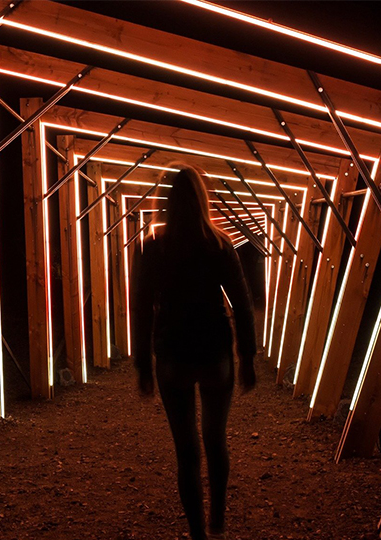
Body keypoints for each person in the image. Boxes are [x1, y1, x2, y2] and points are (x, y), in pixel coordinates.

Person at [130, 165, 257, 540]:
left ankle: (198, 535)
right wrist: (246, 357)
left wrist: (142, 366)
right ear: (202, 200)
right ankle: (218, 524)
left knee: (186, 450)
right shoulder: (219, 245)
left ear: (166, 203)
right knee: (215, 440)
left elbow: (140, 307)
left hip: (173, 356)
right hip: (215, 352)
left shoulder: (153, 248)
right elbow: (242, 303)